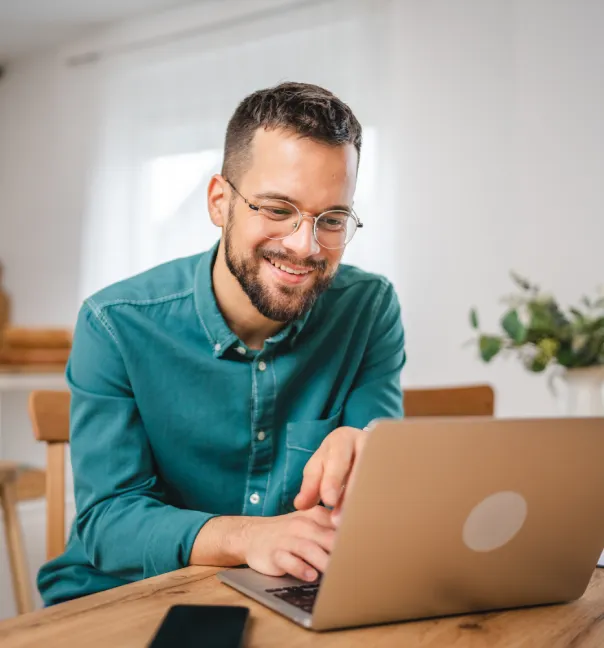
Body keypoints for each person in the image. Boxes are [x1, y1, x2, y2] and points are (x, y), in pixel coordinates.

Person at [38, 82, 406, 605]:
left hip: (288, 593)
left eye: (332, 219)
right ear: (219, 202)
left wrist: (371, 450)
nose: (305, 246)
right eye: (278, 209)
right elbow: (108, 522)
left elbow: (377, 476)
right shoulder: (115, 323)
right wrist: (249, 537)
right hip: (126, 595)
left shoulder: (369, 309)